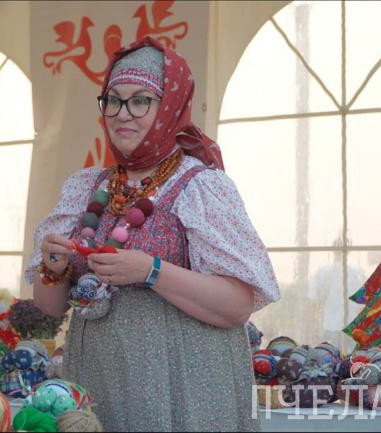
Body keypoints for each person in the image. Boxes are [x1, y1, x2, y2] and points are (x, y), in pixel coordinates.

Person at [27, 36, 280, 431]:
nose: (122, 114)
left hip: (184, 389)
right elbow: (49, 308)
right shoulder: (87, 187)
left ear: (171, 108)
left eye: (141, 100)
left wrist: (151, 271)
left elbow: (237, 306)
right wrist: (53, 268)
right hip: (97, 383)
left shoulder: (201, 185)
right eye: (113, 100)